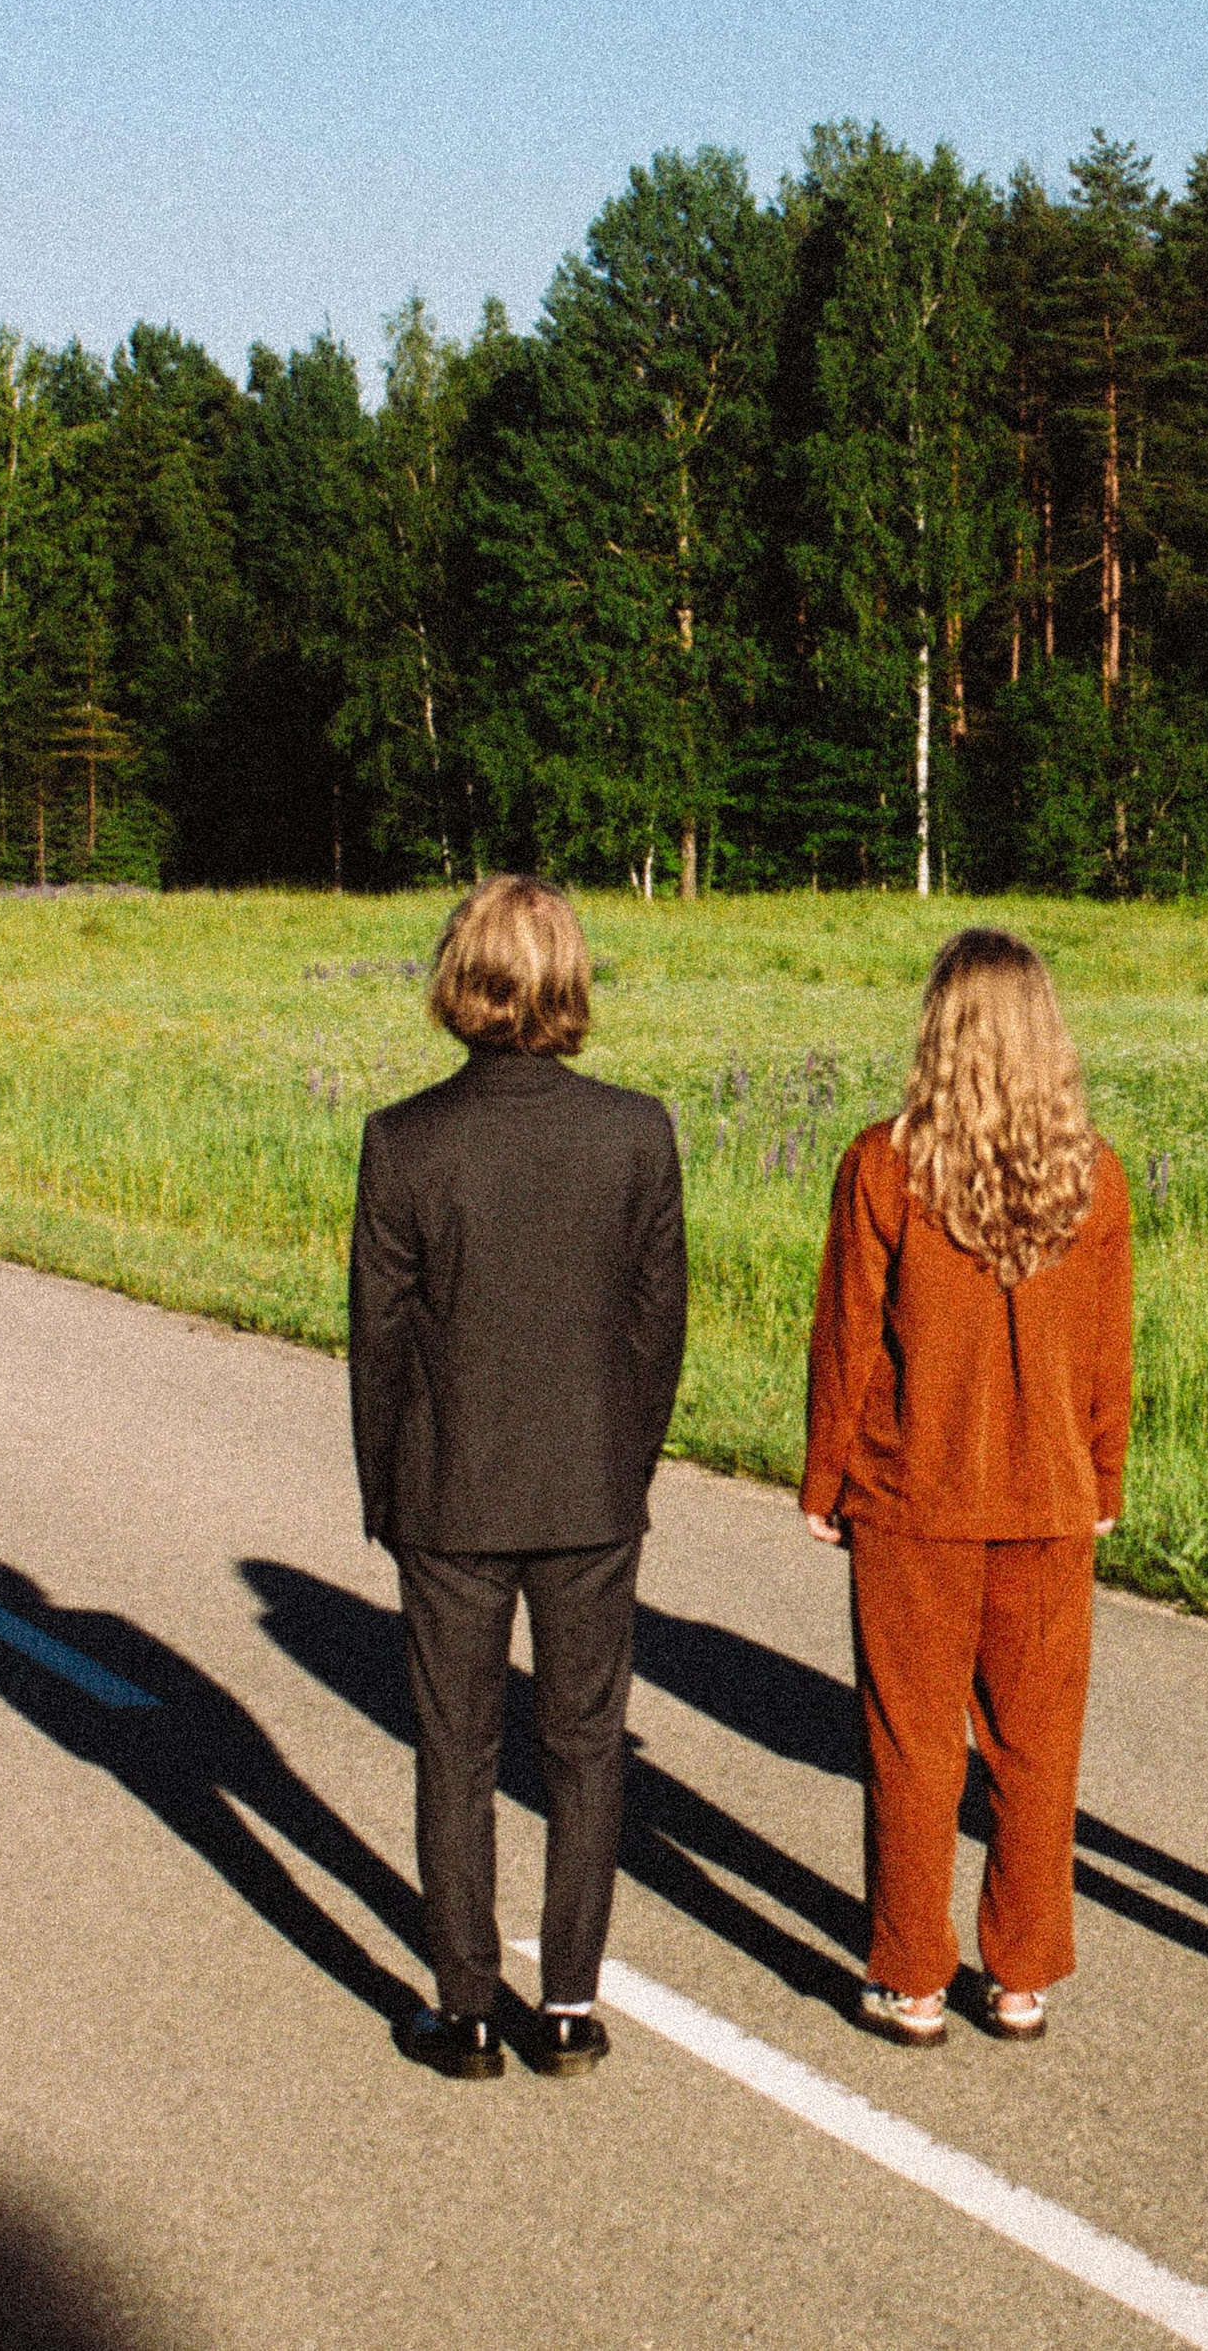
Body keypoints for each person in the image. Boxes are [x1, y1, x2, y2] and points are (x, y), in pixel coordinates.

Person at [349, 873, 687, 2081]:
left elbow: (378, 1340)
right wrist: (623, 1463)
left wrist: (384, 1490)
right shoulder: (635, 1131)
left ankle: (467, 2008)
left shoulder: (405, 1140)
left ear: (458, 978)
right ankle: (571, 2005)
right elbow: (659, 1329)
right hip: (591, 1484)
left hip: (451, 1487)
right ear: (570, 982)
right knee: (587, 1742)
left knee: (458, 1748)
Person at [800, 927, 1133, 2047]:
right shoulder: (1093, 1173)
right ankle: (1023, 1972)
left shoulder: (882, 1164)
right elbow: (1105, 1355)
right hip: (1048, 1496)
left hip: (912, 1498)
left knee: (912, 1742)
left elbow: (847, 1335)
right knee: (1037, 1746)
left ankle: (911, 1973)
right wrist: (1105, 1476)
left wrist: (824, 1474)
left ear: (938, 1029)